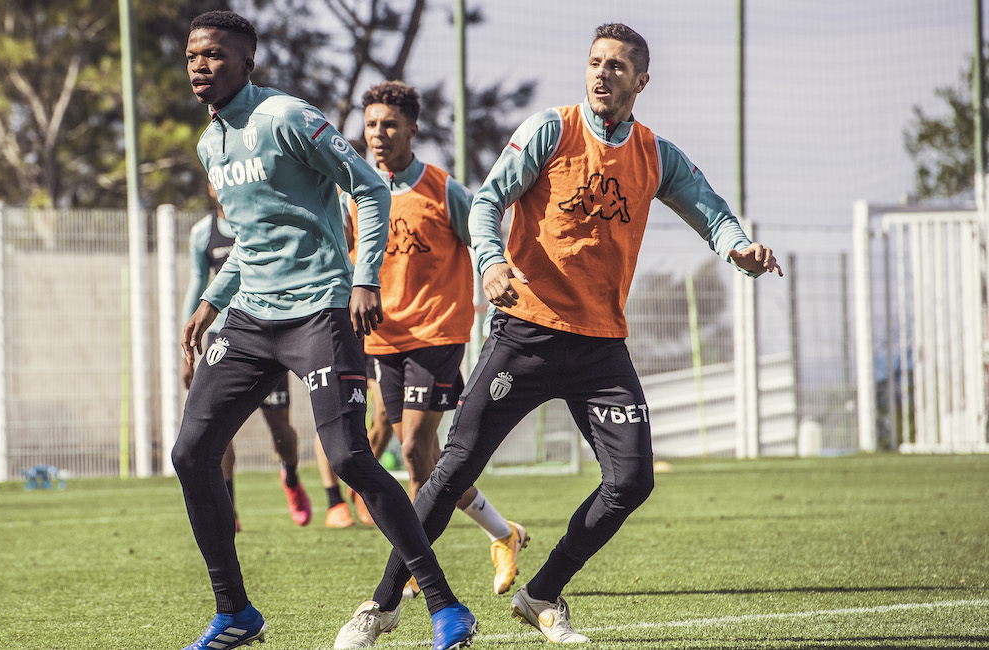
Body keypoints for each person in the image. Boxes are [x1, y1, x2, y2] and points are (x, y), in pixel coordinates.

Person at [335, 23, 782, 645]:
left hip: (600, 346)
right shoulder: (552, 129)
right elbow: (488, 202)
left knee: (632, 481)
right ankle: (382, 605)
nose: (602, 73)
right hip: (526, 332)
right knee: (451, 466)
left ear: (641, 81)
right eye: (596, 62)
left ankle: (542, 593)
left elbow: (711, 211)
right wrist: (492, 264)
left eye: (617, 66)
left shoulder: (656, 154)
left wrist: (739, 248)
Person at [174, 11, 476, 650]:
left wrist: (365, 278)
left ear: (247, 63)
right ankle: (234, 613)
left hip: (319, 311)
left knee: (348, 457)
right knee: (190, 453)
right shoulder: (209, 143)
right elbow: (251, 241)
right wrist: (209, 301)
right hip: (251, 317)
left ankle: (445, 605)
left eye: (215, 55)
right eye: (193, 55)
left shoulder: (287, 117)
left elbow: (369, 189)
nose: (200, 65)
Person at [337, 81, 527, 611]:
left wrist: (501, 275)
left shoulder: (443, 190)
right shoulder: (355, 195)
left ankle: (414, 569)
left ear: (412, 129)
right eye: (371, 125)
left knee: (415, 448)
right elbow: (344, 256)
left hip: (437, 334)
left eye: (389, 124)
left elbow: (484, 238)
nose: (378, 134)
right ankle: (503, 532)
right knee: (426, 462)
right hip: (383, 340)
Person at [183, 183, 346, 530]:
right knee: (216, 428)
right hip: (221, 332)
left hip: (266, 327)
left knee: (279, 428)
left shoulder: (259, 219)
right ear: (210, 186)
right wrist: (185, 346)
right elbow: (197, 284)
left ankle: (290, 475)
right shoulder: (202, 234)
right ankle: (229, 509)